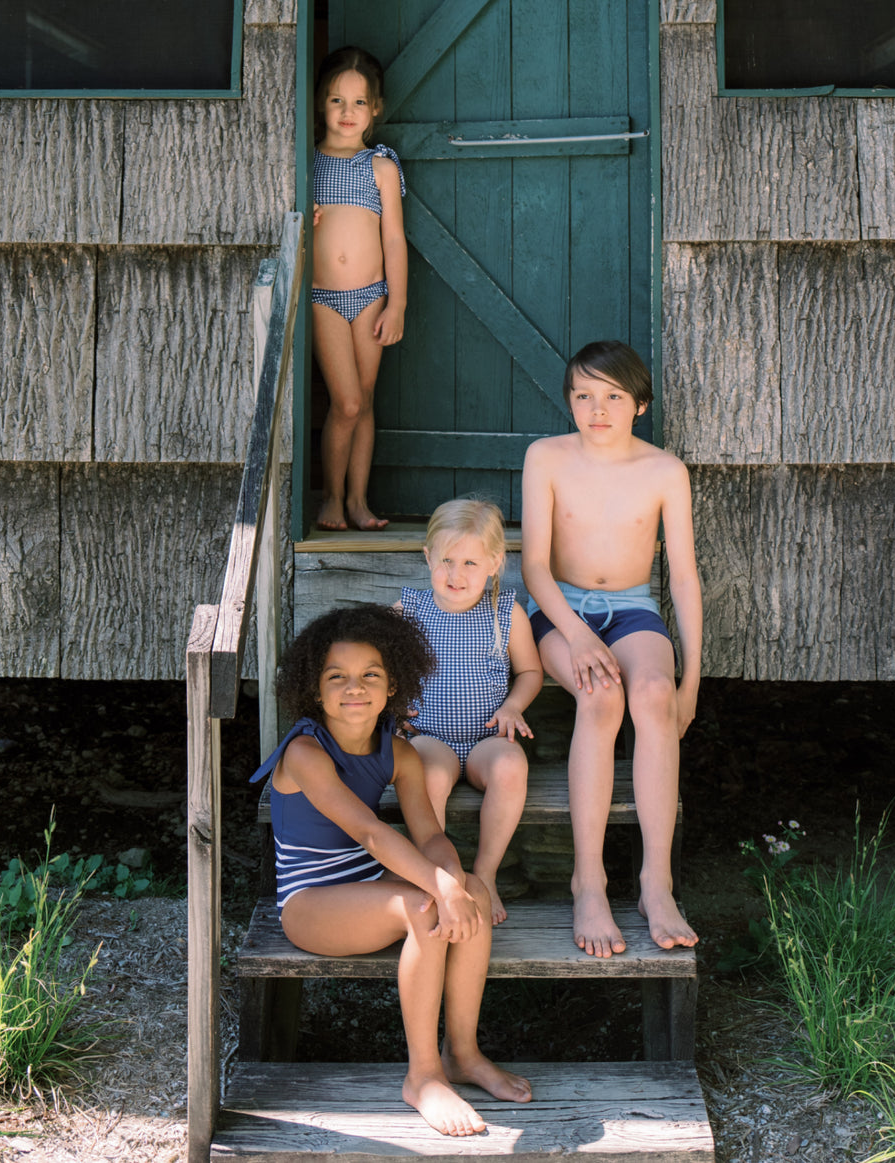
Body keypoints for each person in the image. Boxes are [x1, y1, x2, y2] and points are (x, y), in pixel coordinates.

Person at [249, 605, 531, 1135]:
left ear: (392, 684)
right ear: (315, 689)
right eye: (337, 678)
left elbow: (429, 835)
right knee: (426, 904)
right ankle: (423, 1077)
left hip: (365, 886)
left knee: (465, 888)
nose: (354, 688)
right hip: (310, 903)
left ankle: (464, 1053)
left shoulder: (399, 752)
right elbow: (373, 834)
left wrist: (454, 879)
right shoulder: (306, 752)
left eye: (369, 676)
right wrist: (439, 886)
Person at [520, 340, 702, 959]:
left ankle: (657, 881)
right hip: (560, 609)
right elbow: (535, 568)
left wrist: (691, 680)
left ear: (640, 405)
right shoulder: (545, 457)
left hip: (632, 607)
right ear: (569, 400)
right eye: (583, 395)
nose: (597, 409)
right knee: (600, 698)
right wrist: (575, 633)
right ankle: (589, 881)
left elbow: (681, 578)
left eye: (613, 397)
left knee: (650, 694)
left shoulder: (663, 471)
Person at [397, 498, 543, 924]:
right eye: (445, 561)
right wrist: (393, 706)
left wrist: (514, 706)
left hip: (485, 739)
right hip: (430, 737)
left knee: (512, 766)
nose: (455, 575)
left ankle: (485, 873)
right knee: (428, 775)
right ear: (427, 558)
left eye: (469, 563)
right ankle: (439, 876)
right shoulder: (411, 612)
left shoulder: (506, 613)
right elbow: (379, 667)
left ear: (495, 562)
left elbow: (531, 670)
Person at [311, 46, 407, 532]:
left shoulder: (380, 167)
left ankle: (356, 501)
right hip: (323, 297)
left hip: (371, 296)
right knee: (345, 401)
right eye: (335, 101)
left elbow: (393, 237)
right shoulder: (304, 165)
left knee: (365, 401)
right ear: (319, 105)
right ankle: (329, 497)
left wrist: (399, 303)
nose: (347, 113)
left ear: (375, 110)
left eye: (359, 103)